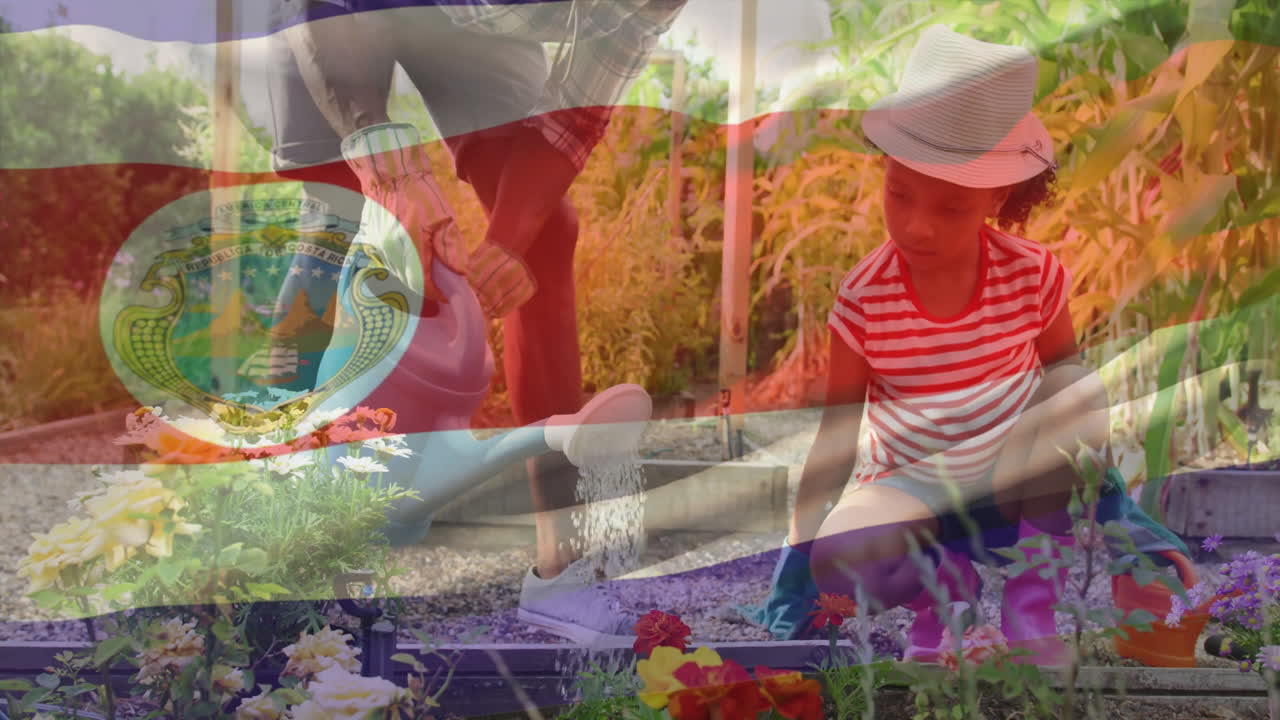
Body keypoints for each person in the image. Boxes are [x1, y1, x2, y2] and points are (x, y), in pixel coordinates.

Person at [259, 0, 687, 644]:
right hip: (326, 17)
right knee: (333, 221)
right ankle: (271, 552)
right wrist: (390, 171)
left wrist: (510, 242)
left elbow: (572, 119)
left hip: (473, 23)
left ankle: (562, 576)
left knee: (545, 235)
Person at [742, 25, 1112, 666]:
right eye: (899, 194)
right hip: (908, 489)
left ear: (995, 197)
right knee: (844, 556)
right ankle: (947, 595)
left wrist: (1124, 505)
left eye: (950, 209)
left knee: (1075, 383)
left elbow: (1068, 392)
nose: (916, 225)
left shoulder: (1032, 274)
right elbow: (838, 434)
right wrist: (800, 549)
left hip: (1011, 485)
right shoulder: (866, 297)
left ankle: (1031, 606)